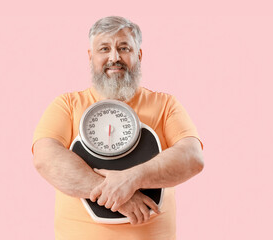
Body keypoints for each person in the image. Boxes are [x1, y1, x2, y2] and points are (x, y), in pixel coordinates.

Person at [32, 16, 204, 240]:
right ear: (90, 56)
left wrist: (133, 178)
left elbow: (192, 157)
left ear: (139, 55)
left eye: (124, 48)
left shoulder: (165, 105)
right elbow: (46, 158)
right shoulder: (66, 105)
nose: (115, 57)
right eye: (104, 49)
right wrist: (115, 192)